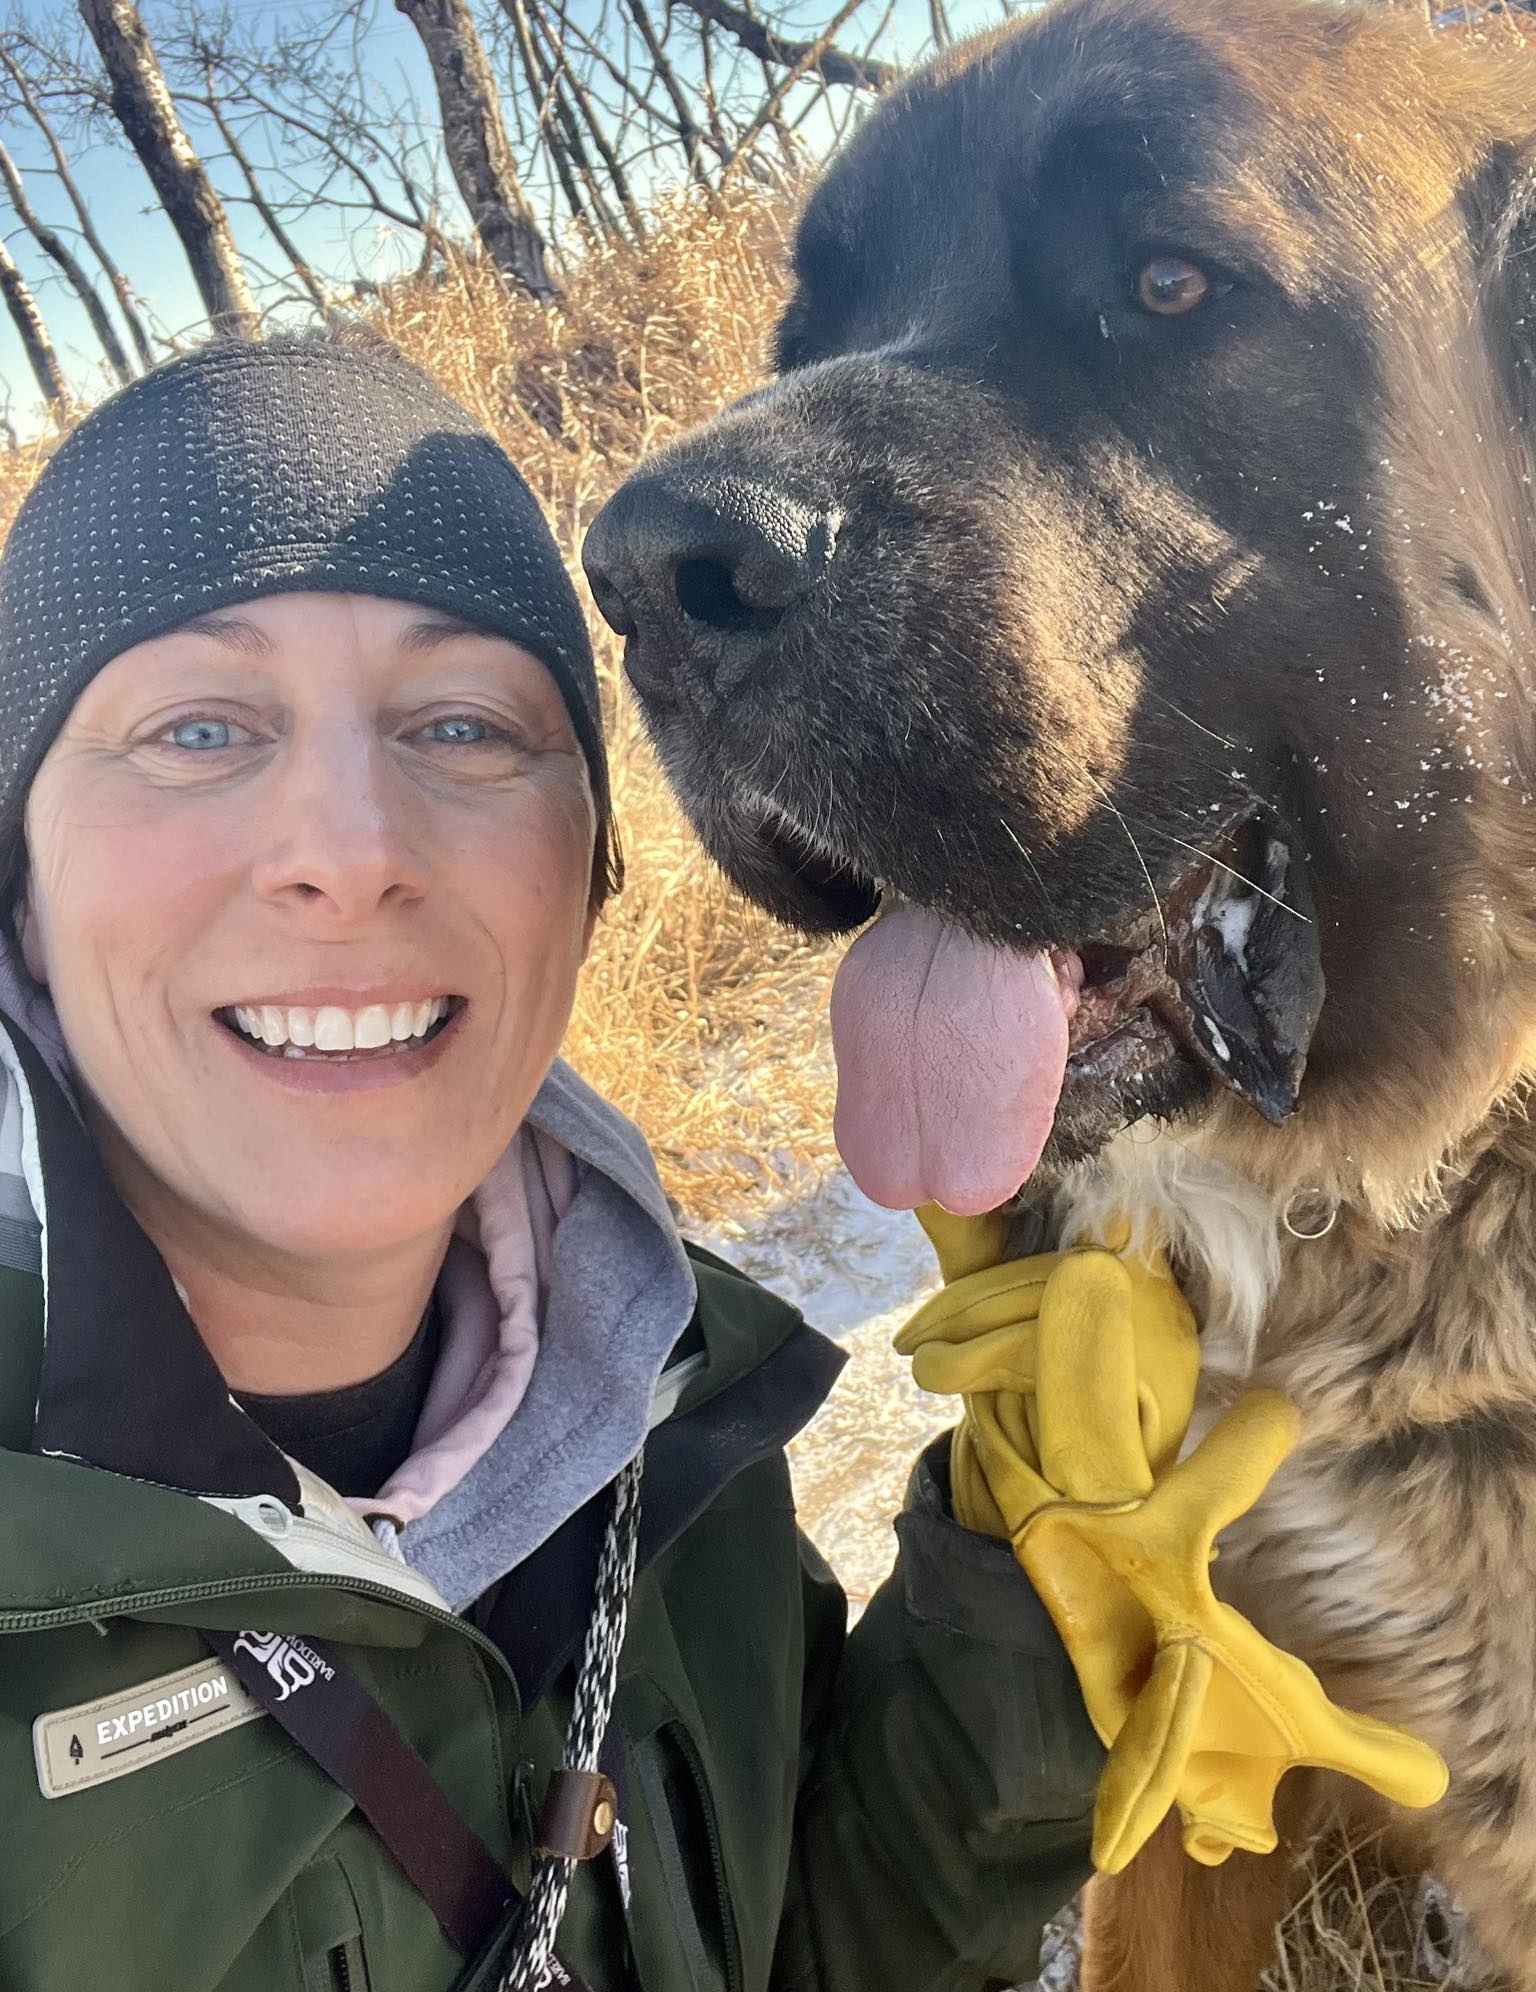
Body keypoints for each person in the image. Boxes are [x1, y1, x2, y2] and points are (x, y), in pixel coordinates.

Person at [0, 332, 1100, 1992]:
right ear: (20, 888)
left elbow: (794, 1943)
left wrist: (1032, 1587)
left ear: (586, 878)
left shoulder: (663, 1404)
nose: (351, 851)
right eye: (199, 729)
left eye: (462, 726)